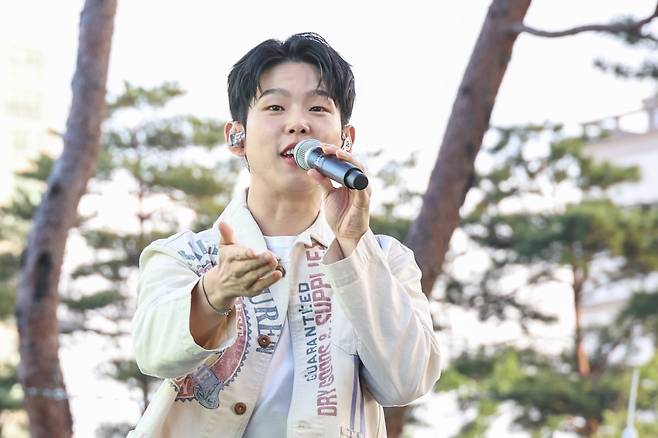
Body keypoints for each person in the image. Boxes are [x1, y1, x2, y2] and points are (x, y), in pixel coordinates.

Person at [128, 32, 441, 438]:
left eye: (318, 107)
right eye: (275, 107)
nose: (298, 123)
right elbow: (153, 354)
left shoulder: (386, 259)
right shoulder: (185, 255)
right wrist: (214, 292)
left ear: (346, 139)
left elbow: (407, 382)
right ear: (236, 136)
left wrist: (354, 246)